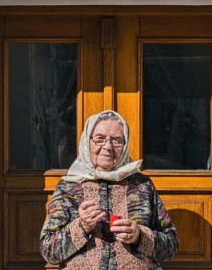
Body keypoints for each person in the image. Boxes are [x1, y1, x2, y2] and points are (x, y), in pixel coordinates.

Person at [39, 110, 179, 269]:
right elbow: (48, 252)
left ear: (125, 146)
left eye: (116, 140)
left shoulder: (142, 185)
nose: (108, 146)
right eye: (99, 139)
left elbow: (171, 246)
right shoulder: (68, 188)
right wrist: (81, 226)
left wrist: (139, 236)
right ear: (87, 142)